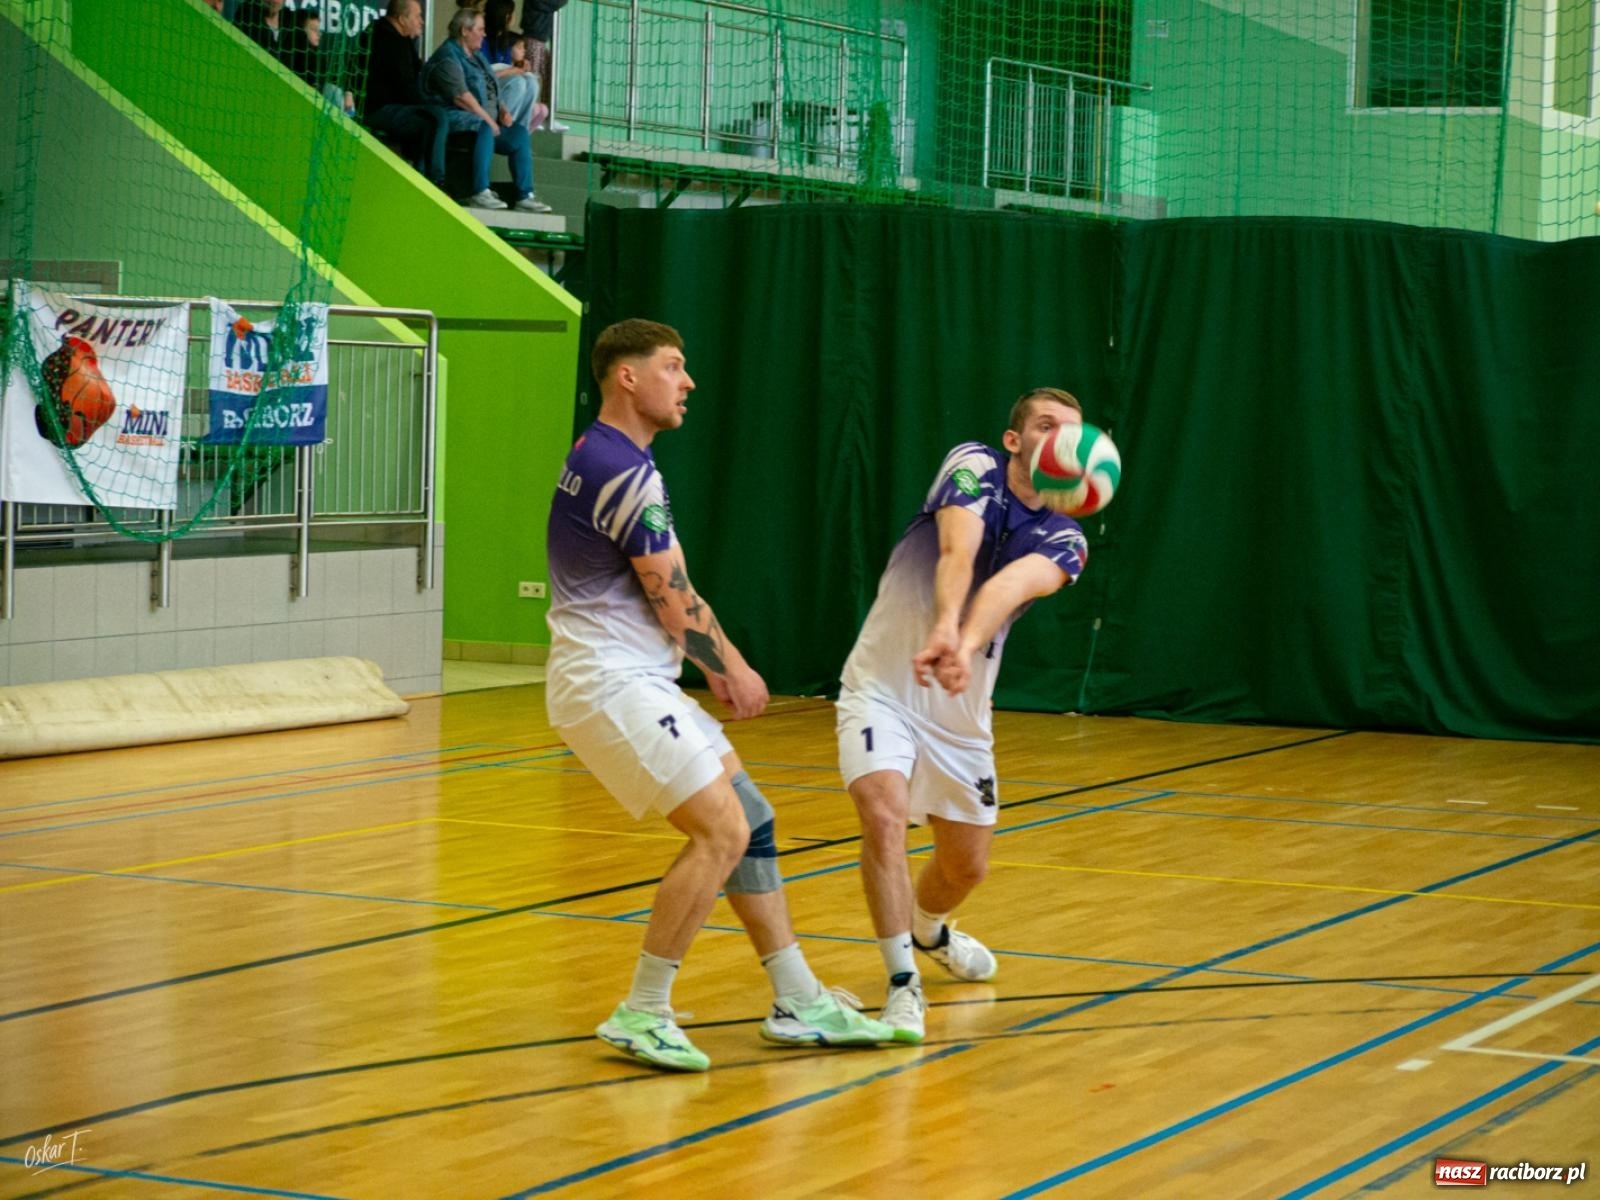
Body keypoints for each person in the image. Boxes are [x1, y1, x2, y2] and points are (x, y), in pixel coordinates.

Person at [546, 319, 900, 1072]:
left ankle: (798, 998)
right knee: (720, 834)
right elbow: (672, 597)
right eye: (674, 367)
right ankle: (643, 1010)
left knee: (754, 821)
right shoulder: (625, 472)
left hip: (627, 677)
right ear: (628, 378)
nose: (690, 382)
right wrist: (731, 668)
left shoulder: (598, 451)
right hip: (610, 683)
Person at [837, 388, 1092, 1042]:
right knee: (884, 813)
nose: (1060, 439)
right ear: (1014, 440)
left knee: (966, 866)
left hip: (959, 715)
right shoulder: (973, 465)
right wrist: (944, 625)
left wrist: (965, 644)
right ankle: (902, 984)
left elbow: (1010, 586)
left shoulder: (1066, 536)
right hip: (884, 685)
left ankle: (929, 931)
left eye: (1073, 432)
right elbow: (958, 548)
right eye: (1045, 425)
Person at [421, 7, 551, 211]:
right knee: (483, 125)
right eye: (480, 29)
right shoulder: (447, 57)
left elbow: (493, 86)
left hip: (484, 121)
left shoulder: (478, 56)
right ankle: (480, 192)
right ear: (465, 30)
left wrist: (502, 109)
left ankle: (524, 196)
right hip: (453, 121)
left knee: (518, 133)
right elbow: (462, 98)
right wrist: (489, 120)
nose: (484, 33)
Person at [358, 0, 448, 186]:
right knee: (435, 118)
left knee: (431, 119)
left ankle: (423, 179)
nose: (421, 21)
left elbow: (417, 74)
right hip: (378, 110)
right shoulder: (384, 40)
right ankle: (434, 181)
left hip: (397, 106)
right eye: (417, 16)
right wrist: (430, 104)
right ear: (401, 19)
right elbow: (405, 88)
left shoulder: (403, 40)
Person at [482, 0, 548, 132]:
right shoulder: (482, 40)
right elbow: (485, 75)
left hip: (499, 83)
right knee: (518, 83)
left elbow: (506, 68)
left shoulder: (503, 39)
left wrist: (520, 68)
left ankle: (519, 129)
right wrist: (514, 70)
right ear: (508, 17)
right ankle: (502, 126)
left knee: (531, 82)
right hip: (485, 86)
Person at [519, 0, 568, 129]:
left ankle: (546, 116)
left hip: (541, 37)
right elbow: (551, 3)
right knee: (531, 77)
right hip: (533, 36)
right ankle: (530, 114)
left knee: (547, 77)